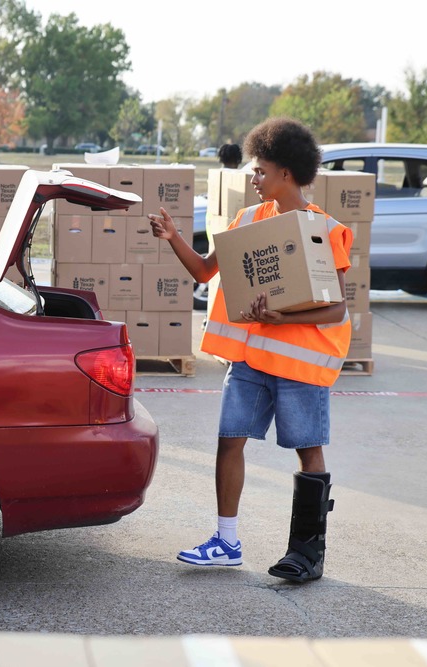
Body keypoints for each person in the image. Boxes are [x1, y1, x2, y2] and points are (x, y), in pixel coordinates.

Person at [148, 117, 353, 583]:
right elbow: (204, 272)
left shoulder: (323, 231)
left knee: (308, 453)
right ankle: (226, 541)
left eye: (260, 171)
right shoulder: (247, 223)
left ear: (285, 173)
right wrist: (173, 237)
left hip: (299, 366)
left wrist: (287, 319)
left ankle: (306, 554)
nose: (254, 179)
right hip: (250, 362)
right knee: (229, 441)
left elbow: (336, 311)